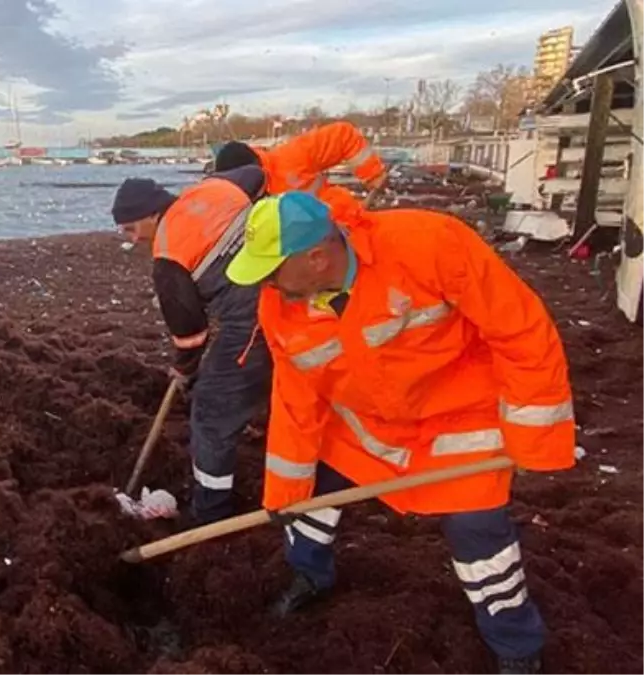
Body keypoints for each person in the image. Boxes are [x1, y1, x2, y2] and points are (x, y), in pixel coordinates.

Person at [224, 191, 576, 675]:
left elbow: (521, 331)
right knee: (308, 498)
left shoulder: (429, 244)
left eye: (270, 269)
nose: (264, 283)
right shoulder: (281, 305)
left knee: (479, 536)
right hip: (362, 427)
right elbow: (295, 399)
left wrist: (535, 439)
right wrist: (284, 493)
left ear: (317, 257)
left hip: (458, 422)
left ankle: (516, 647)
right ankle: (309, 574)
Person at [110, 166, 273, 525]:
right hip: (292, 288)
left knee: (211, 412)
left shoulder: (168, 255)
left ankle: (209, 513)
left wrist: (183, 369)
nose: (133, 239)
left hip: (256, 321)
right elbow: (256, 173)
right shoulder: (214, 187)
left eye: (132, 228)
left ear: (153, 214)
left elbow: (191, 334)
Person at [212, 121, 386, 199]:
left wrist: (373, 176)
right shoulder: (234, 199)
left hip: (338, 224)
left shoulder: (293, 156)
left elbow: (343, 135)